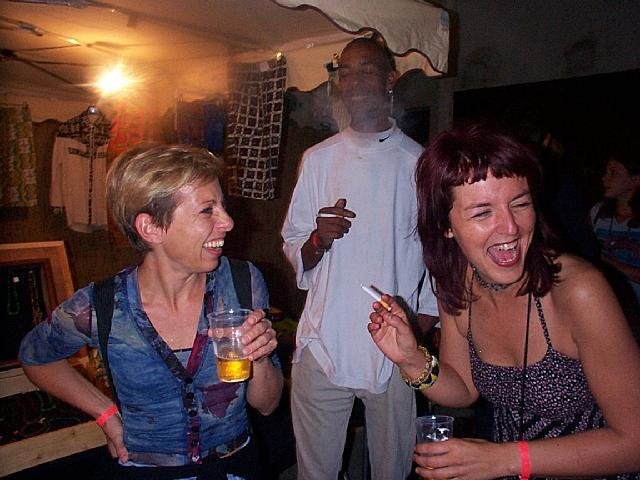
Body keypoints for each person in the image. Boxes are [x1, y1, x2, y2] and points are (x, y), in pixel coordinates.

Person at [368, 122, 640, 479]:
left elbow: (634, 443)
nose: (510, 227)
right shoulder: (458, 281)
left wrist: (505, 459)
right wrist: (410, 358)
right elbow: (464, 388)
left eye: (520, 203)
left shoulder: (578, 291)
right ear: (446, 225)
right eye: (483, 212)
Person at [19, 144, 283, 480]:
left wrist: (260, 356)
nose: (228, 222)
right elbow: (34, 357)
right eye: (207, 210)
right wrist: (105, 415)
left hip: (236, 467)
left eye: (223, 207)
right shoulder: (102, 306)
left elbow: (267, 404)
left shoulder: (243, 281)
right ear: (151, 228)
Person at [281, 36, 439, 480]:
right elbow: (294, 243)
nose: (353, 81)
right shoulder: (318, 159)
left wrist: (419, 329)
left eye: (366, 69)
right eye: (345, 72)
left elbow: (438, 259)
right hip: (323, 341)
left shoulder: (420, 164)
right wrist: (318, 239)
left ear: (390, 78)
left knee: (393, 470)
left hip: (392, 347)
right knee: (315, 473)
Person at [591, 140, 640, 338]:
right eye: (605, 172)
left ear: (635, 180)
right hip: (607, 308)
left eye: (613, 173)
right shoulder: (598, 213)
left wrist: (608, 262)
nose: (605, 178)